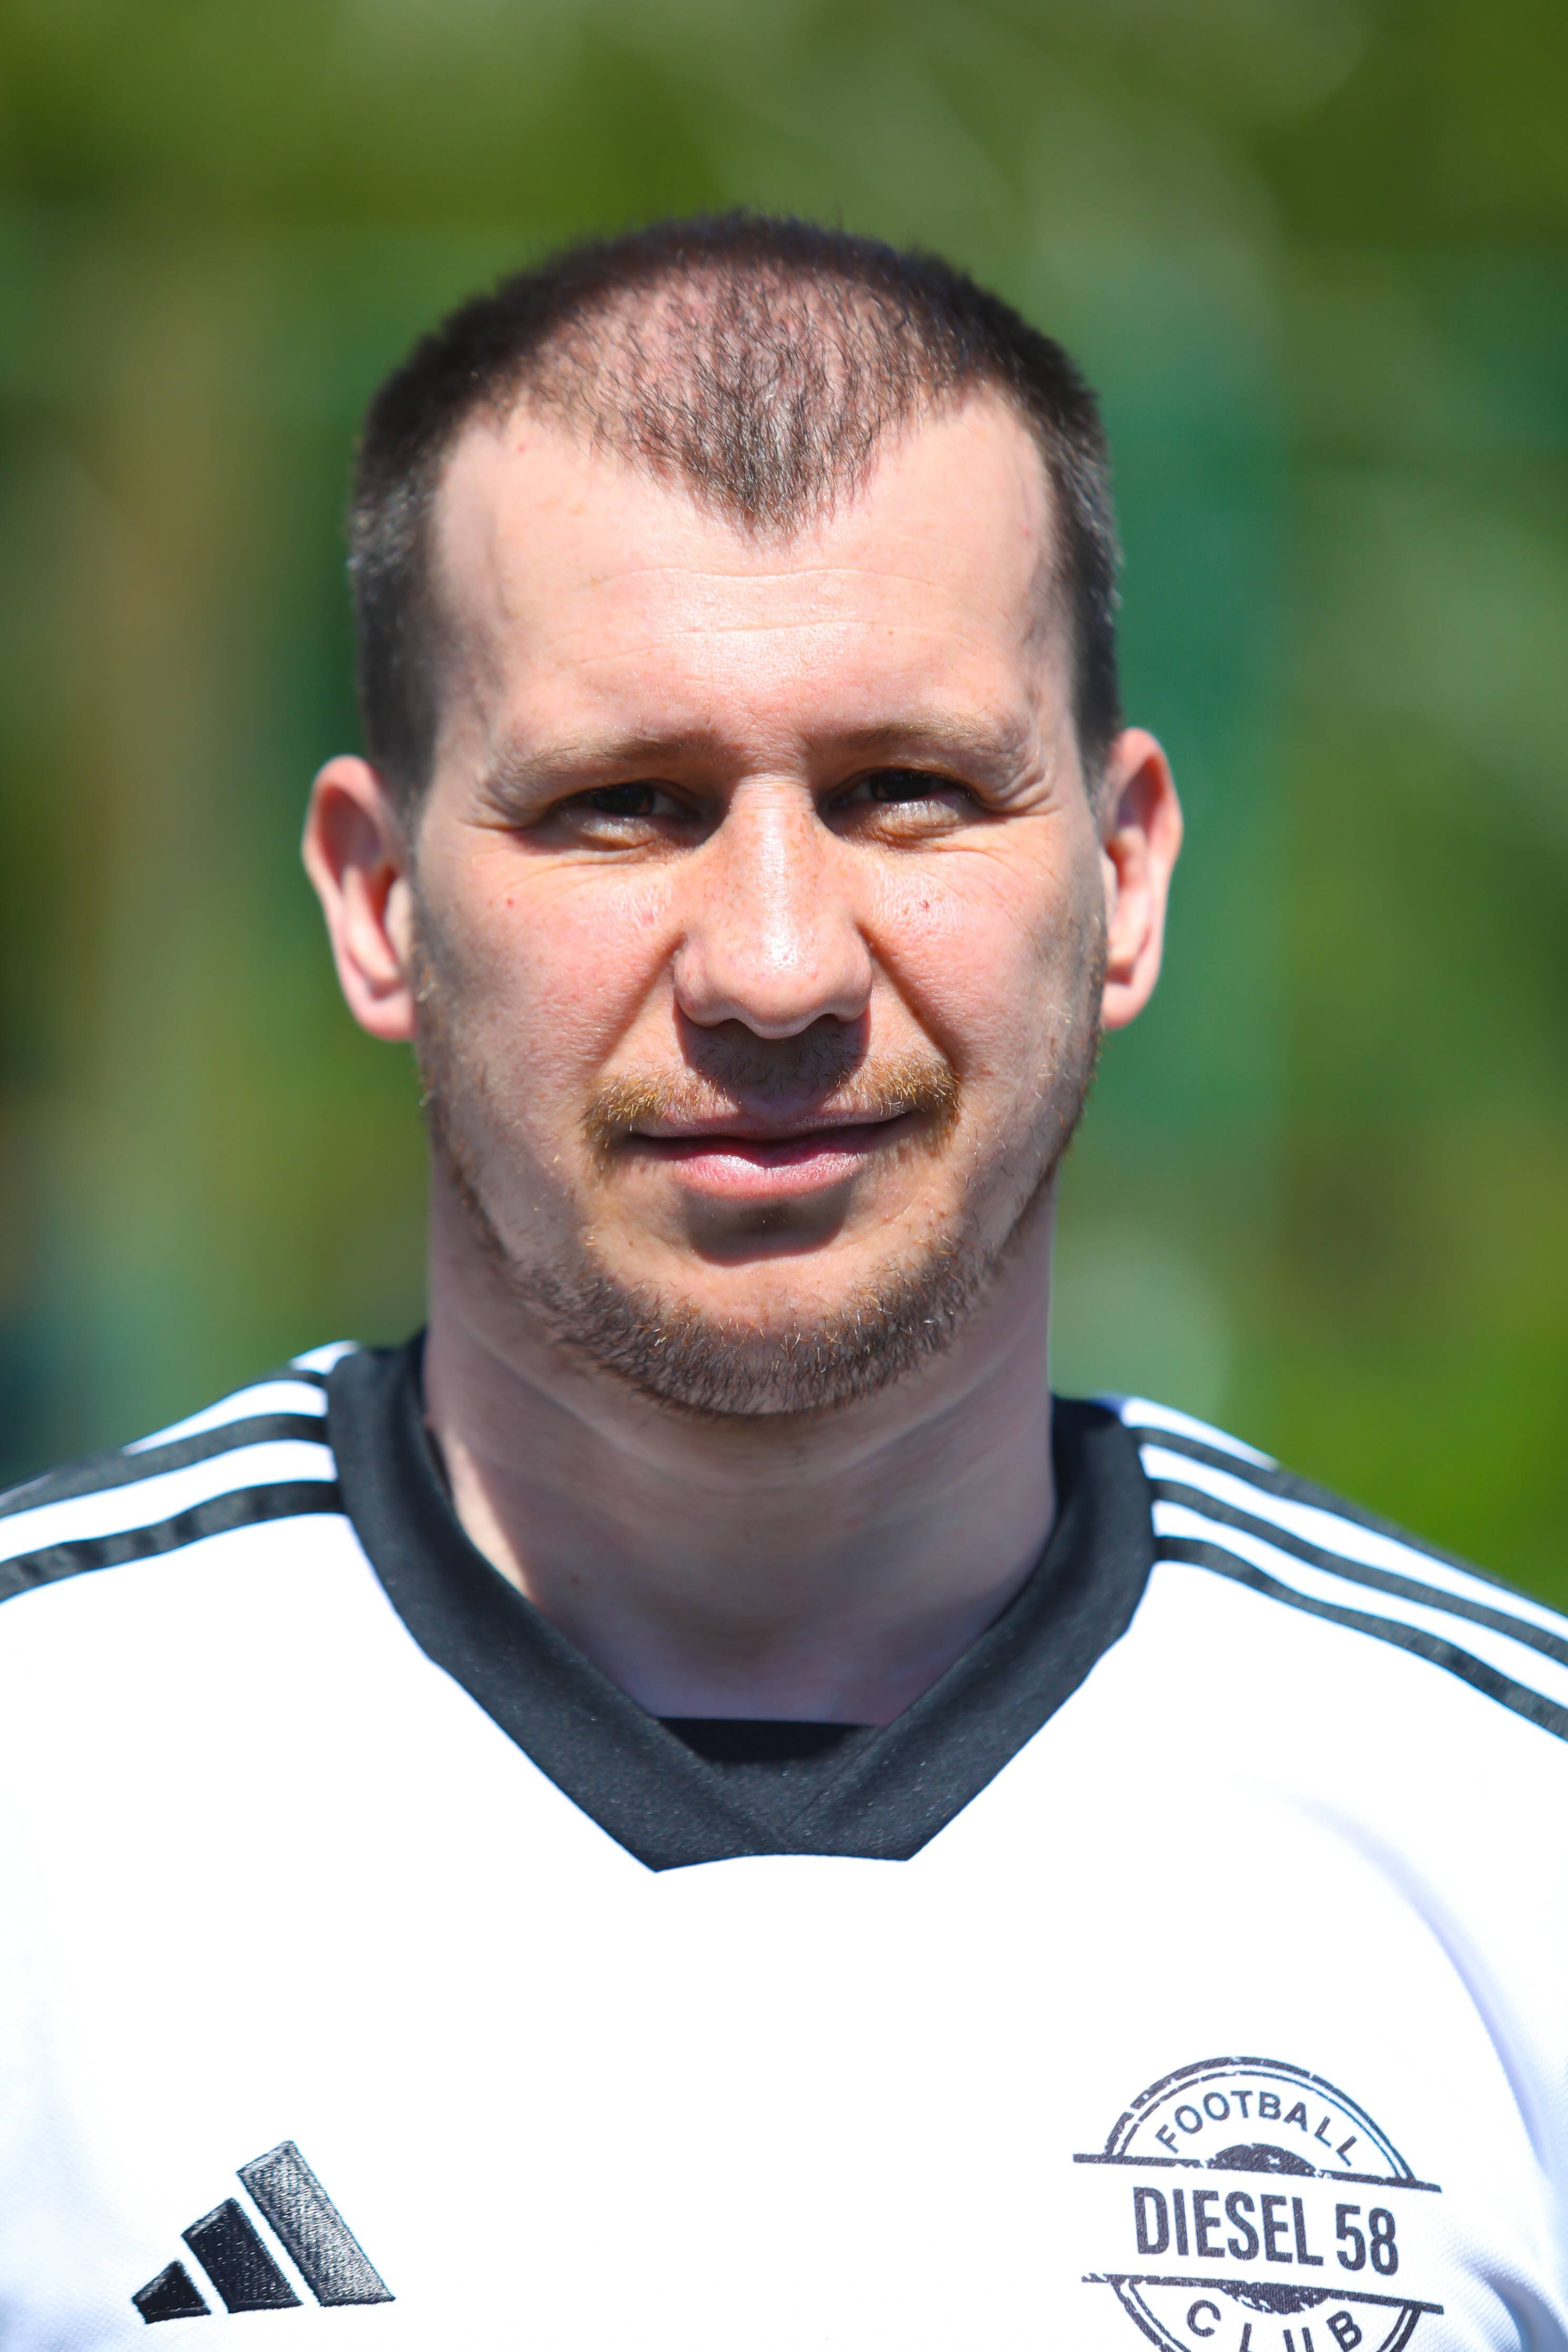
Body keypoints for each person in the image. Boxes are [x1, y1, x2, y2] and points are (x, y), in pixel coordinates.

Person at [0, 214, 1562, 2351]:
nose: (774, 966)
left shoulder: (1510, 1834)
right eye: (621, 805)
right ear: (377, 902)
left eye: (907, 793)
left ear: (1122, 878)